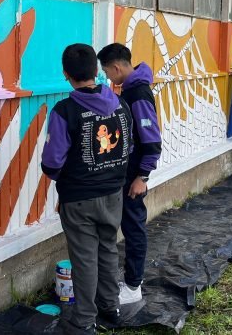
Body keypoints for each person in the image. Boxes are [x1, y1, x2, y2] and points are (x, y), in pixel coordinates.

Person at [41, 44, 133, 334]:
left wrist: (65, 181)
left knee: (83, 260)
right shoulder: (121, 105)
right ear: (96, 71)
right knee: (107, 250)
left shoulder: (64, 111)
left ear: (66, 74)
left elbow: (52, 162)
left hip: (79, 198)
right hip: (113, 195)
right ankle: (111, 307)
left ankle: (84, 321)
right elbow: (128, 147)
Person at [97, 43, 162, 306]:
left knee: (134, 228)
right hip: (126, 172)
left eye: (106, 72)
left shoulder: (138, 94)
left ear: (116, 67)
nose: (107, 77)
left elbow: (152, 140)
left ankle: (134, 285)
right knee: (127, 225)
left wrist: (142, 176)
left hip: (134, 175)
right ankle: (130, 279)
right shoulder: (129, 90)